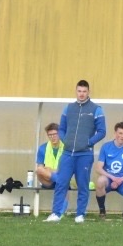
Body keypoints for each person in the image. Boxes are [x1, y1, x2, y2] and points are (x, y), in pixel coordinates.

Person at [47, 79, 106, 224]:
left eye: (84, 91)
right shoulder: (68, 108)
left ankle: (80, 215)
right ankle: (56, 213)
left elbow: (102, 131)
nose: (81, 94)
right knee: (61, 183)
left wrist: (88, 142)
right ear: (76, 91)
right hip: (67, 154)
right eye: (79, 91)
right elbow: (61, 128)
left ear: (88, 92)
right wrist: (64, 140)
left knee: (83, 184)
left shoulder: (96, 109)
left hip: (85, 155)